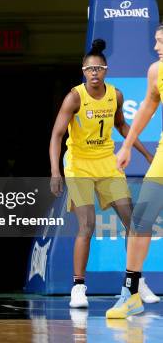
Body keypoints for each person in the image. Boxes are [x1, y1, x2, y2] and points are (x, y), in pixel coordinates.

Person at [49, 39, 155, 309]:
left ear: (106, 71)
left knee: (132, 223)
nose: (94, 73)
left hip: (107, 163)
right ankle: (78, 287)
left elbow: (121, 125)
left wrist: (144, 153)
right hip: (79, 165)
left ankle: (135, 282)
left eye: (99, 68)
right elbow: (57, 135)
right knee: (87, 224)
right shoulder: (74, 97)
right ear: (83, 71)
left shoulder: (116, 95)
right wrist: (54, 171)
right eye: (89, 69)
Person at [107, 25, 163, 318]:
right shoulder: (157, 70)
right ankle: (130, 293)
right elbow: (147, 107)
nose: (156, 47)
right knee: (141, 219)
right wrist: (126, 146)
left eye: (161, 41)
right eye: (156, 41)